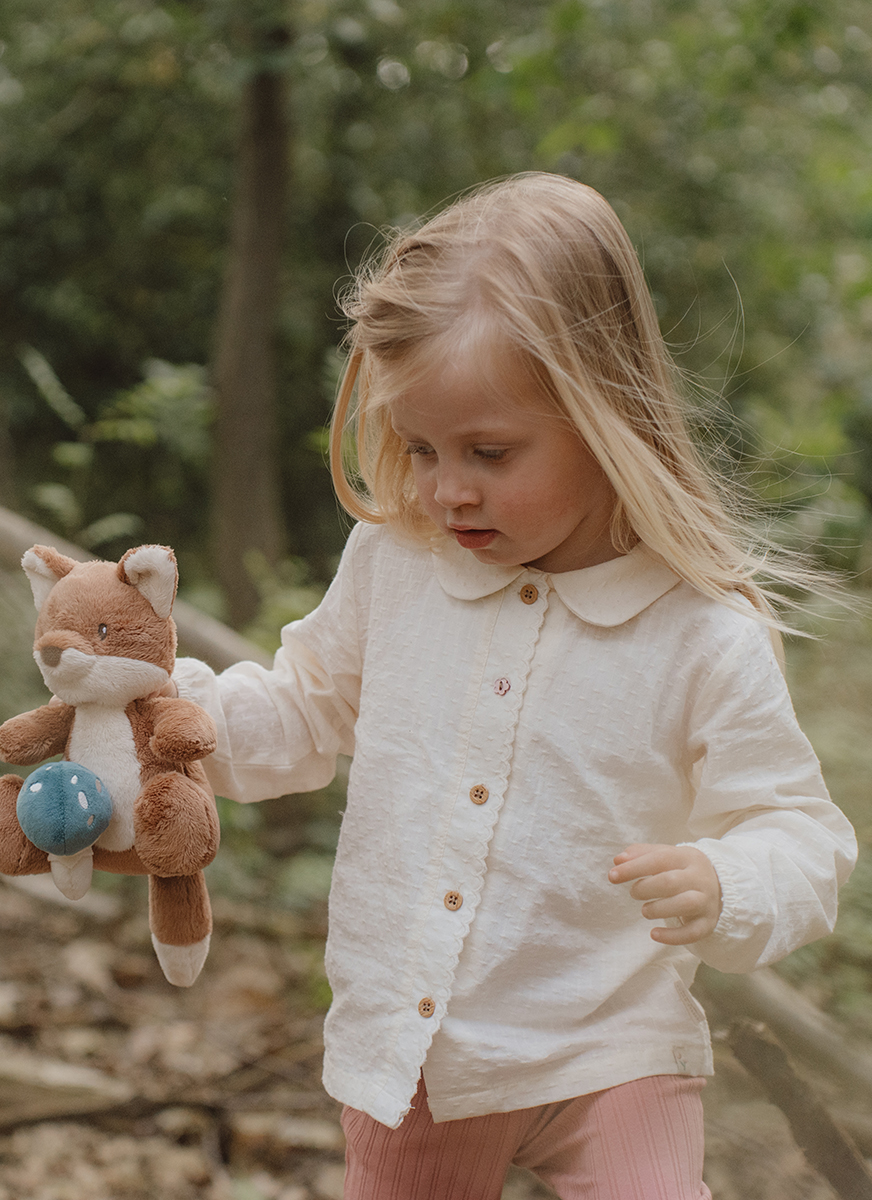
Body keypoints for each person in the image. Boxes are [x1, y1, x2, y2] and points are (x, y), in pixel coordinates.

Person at [172, 172, 858, 1199]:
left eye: (490, 452)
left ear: (603, 412)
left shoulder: (702, 632)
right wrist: (182, 721)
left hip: (612, 1045)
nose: (446, 487)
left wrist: (731, 881)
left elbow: (802, 833)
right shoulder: (396, 563)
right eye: (421, 448)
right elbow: (308, 707)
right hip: (421, 1050)